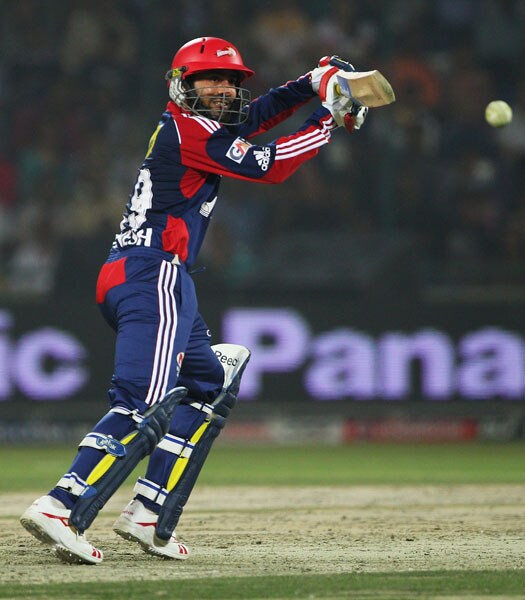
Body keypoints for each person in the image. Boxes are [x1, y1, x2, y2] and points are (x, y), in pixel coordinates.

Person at [20, 36, 368, 564]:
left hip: (154, 275)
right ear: (182, 85)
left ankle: (148, 513)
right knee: (142, 400)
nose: (225, 89)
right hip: (150, 273)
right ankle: (61, 506)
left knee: (210, 380)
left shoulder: (197, 127)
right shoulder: (188, 129)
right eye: (211, 80)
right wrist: (326, 118)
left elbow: (260, 116)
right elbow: (268, 164)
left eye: (230, 81)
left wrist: (309, 82)